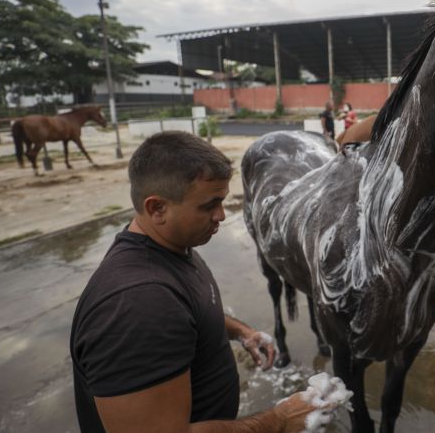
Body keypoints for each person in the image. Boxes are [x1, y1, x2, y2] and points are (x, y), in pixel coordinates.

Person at [70, 131, 332, 432]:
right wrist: (278, 420)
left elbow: (187, 310)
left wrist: (241, 331)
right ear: (157, 209)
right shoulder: (136, 305)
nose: (221, 215)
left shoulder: (168, 249)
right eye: (209, 205)